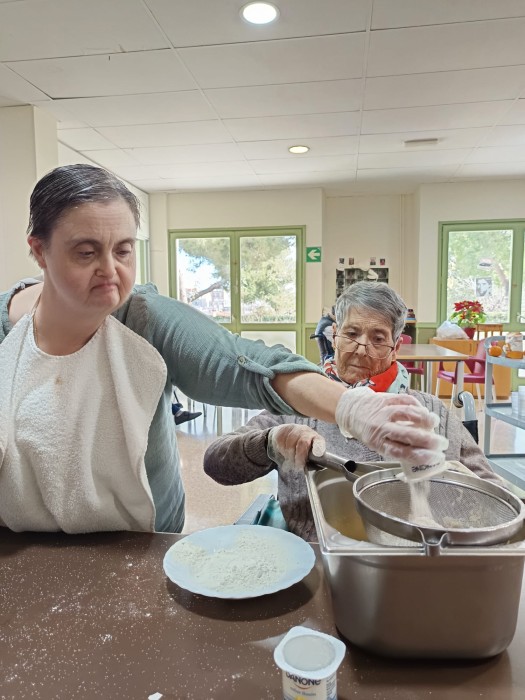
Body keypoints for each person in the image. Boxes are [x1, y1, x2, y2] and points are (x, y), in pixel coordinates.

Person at [0, 164, 446, 535]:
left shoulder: (144, 321)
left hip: (140, 541)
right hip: (20, 546)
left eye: (123, 251)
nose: (110, 271)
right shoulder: (9, 343)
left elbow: (249, 366)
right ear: (39, 251)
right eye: (85, 252)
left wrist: (354, 407)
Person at [204, 282, 500, 541]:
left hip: (412, 557)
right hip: (314, 552)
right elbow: (216, 463)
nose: (361, 348)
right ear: (334, 336)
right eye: (351, 333)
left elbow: (494, 497)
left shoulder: (431, 413)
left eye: (378, 338)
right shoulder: (298, 404)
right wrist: (269, 442)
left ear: (396, 347)